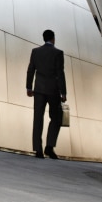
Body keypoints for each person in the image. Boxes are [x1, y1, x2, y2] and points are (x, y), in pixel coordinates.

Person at [26, 29, 67, 159]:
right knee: (56, 118)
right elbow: (60, 73)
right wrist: (63, 92)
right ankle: (49, 147)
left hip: (38, 90)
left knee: (38, 119)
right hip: (53, 91)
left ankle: (38, 150)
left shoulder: (35, 52)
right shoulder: (58, 53)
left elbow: (31, 70)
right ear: (53, 38)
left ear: (44, 38)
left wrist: (28, 87)